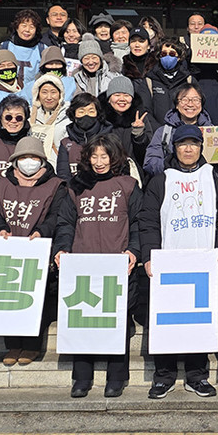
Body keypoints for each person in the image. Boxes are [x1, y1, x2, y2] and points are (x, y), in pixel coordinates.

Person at [140, 125, 218, 399]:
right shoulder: (161, 180)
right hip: (169, 261)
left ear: (201, 148)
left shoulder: (212, 177)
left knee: (198, 321)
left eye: (193, 144)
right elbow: (148, 221)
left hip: (202, 261)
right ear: (174, 148)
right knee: (167, 319)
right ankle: (163, 376)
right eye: (182, 144)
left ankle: (197, 376)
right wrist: (148, 255)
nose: (188, 149)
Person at [53, 135, 141, 398]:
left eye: (104, 156)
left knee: (118, 322)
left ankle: (116, 377)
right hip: (84, 264)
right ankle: (81, 378)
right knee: (83, 321)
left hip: (117, 265)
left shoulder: (128, 185)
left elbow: (139, 222)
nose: (99, 162)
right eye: (94, 156)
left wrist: (134, 250)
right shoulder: (76, 187)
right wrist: (62, 248)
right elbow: (65, 223)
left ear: (114, 158)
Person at [0, 136, 66, 367]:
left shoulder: (56, 185)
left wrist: (42, 231)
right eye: (24, 157)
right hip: (10, 249)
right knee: (9, 297)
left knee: (34, 297)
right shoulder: (3, 184)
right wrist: (0, 229)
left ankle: (32, 345)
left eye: (34, 157)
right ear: (15, 161)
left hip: (37, 249)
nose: (29, 162)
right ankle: (12, 344)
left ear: (42, 161)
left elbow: (57, 215)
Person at [144, 84, 213, 176]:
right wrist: (171, 165)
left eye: (196, 100)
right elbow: (150, 163)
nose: (190, 104)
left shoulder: (212, 131)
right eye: (184, 99)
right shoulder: (164, 132)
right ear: (176, 104)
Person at [103, 76, 153, 178]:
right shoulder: (101, 118)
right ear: (109, 99)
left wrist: (139, 134)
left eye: (126, 95)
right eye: (117, 95)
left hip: (135, 174)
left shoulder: (140, 117)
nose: (122, 99)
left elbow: (147, 152)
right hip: (106, 173)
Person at [56, 93, 113, 181]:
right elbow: (63, 175)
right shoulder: (66, 143)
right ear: (74, 114)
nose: (86, 115)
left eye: (91, 111)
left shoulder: (110, 139)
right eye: (81, 111)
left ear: (97, 113)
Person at [142, 40, 193, 123]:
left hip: (182, 128)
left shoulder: (188, 80)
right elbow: (145, 110)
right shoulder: (149, 80)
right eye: (164, 54)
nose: (167, 57)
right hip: (156, 129)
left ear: (179, 57)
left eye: (172, 54)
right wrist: (157, 129)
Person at [0, 9, 48, 88]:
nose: (27, 30)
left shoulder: (42, 49)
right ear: (17, 27)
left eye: (32, 27)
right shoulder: (5, 47)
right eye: (24, 26)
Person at [29, 73, 69, 161]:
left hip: (57, 164)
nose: (49, 97)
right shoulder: (29, 115)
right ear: (37, 94)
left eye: (53, 92)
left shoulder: (68, 117)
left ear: (60, 94)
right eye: (44, 92)